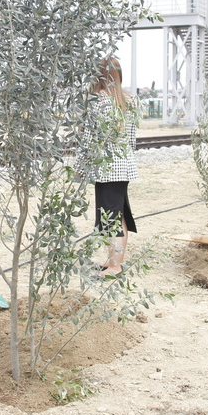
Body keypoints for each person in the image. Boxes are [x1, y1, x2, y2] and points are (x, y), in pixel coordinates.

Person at [75, 57, 139, 277]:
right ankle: (112, 260)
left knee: (112, 218)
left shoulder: (96, 101)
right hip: (123, 166)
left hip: (106, 168)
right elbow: (132, 138)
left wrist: (80, 169)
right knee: (118, 215)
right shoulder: (129, 100)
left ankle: (115, 266)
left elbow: (88, 140)